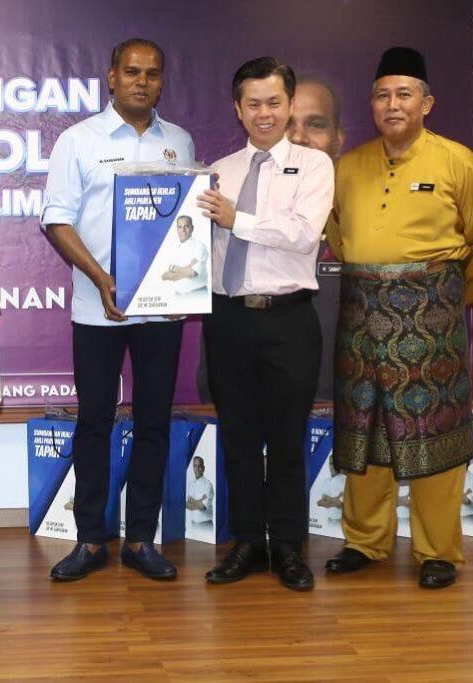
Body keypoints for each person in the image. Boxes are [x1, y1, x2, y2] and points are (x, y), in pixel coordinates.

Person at [324, 47, 473, 589]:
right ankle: (365, 542)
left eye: (404, 94)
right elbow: (336, 234)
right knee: (365, 429)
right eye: (382, 95)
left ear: (426, 103)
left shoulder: (458, 162)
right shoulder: (348, 165)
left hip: (431, 322)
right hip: (361, 316)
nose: (392, 104)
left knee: (433, 433)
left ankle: (439, 551)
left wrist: (450, 297)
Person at [42, 38, 195, 582]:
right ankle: (89, 540)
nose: (141, 82)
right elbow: (56, 219)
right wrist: (101, 278)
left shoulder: (179, 141)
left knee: (154, 423)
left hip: (162, 312)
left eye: (152, 74)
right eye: (131, 72)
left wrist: (185, 285)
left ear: (161, 81)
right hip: (97, 307)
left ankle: (141, 540)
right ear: (111, 77)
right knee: (94, 422)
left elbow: (187, 224)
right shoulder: (78, 140)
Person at [197, 57, 333, 591]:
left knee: (286, 439)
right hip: (228, 319)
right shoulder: (218, 171)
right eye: (253, 103)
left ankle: (290, 548)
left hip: (288, 320)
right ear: (238, 108)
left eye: (274, 102)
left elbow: (302, 234)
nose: (264, 113)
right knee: (238, 437)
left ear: (290, 104)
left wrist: (239, 219)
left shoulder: (314, 165)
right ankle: (248, 543)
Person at [287, 75, 346, 403]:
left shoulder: (363, 215)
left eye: (315, 124)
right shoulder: (240, 211)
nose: (298, 137)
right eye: (288, 124)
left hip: (346, 405)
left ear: (338, 139)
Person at [161, 216, 208, 293]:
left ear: (192, 228)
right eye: (180, 227)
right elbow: (164, 276)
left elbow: (193, 273)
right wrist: (189, 267)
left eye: (186, 226)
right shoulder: (174, 248)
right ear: (177, 229)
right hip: (178, 295)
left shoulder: (199, 247)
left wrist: (174, 269)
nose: (183, 230)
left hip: (197, 294)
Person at [185, 456, 214, 527]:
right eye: (195, 466)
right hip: (193, 524)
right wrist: (200, 501)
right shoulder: (191, 484)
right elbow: (187, 505)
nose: (197, 469)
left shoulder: (208, 485)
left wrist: (192, 500)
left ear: (203, 468)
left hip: (206, 524)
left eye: (199, 466)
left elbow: (203, 506)